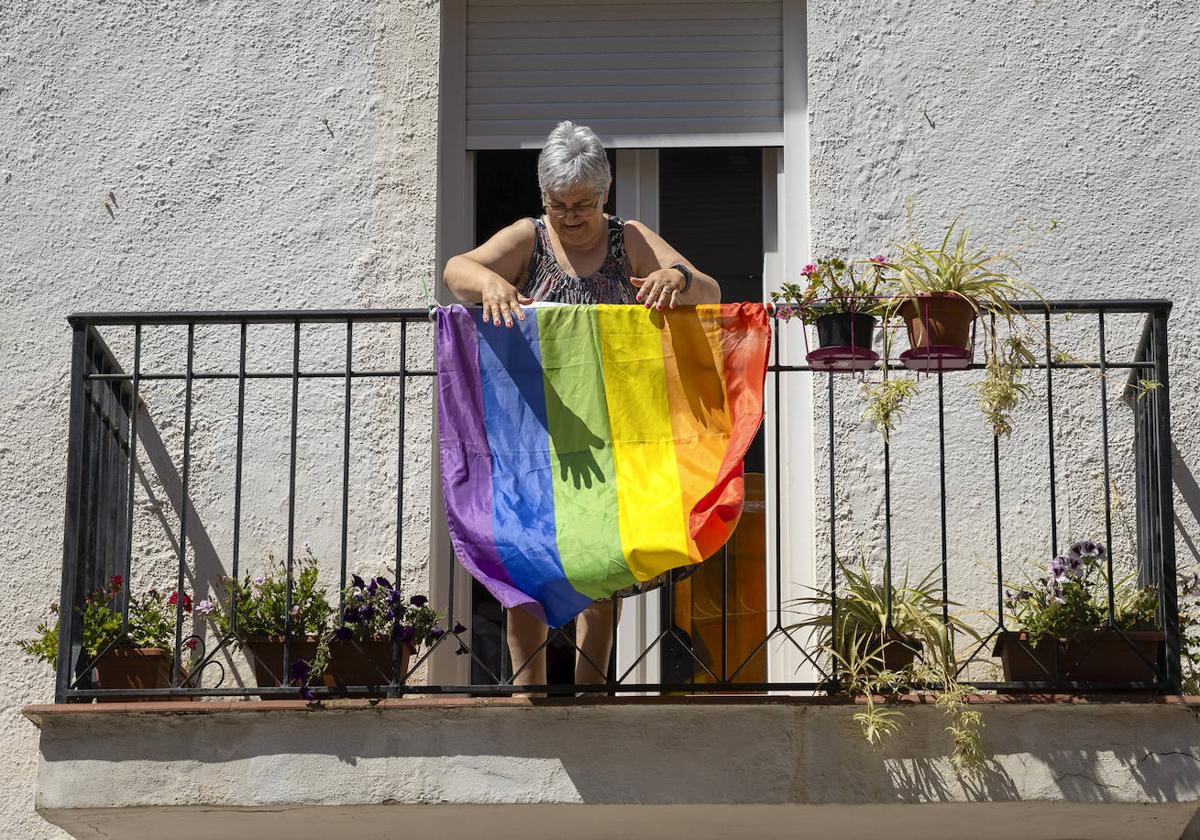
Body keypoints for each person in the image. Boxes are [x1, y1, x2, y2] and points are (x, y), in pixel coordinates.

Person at [443, 120, 721, 691]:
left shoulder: (629, 237)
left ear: (606, 194)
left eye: (583, 204)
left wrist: (676, 276)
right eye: (558, 204)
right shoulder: (529, 238)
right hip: (535, 435)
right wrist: (488, 285)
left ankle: (592, 701)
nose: (570, 216)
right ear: (543, 198)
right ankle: (529, 699)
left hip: (613, 435)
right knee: (527, 564)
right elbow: (456, 271)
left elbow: (709, 292)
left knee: (601, 570)